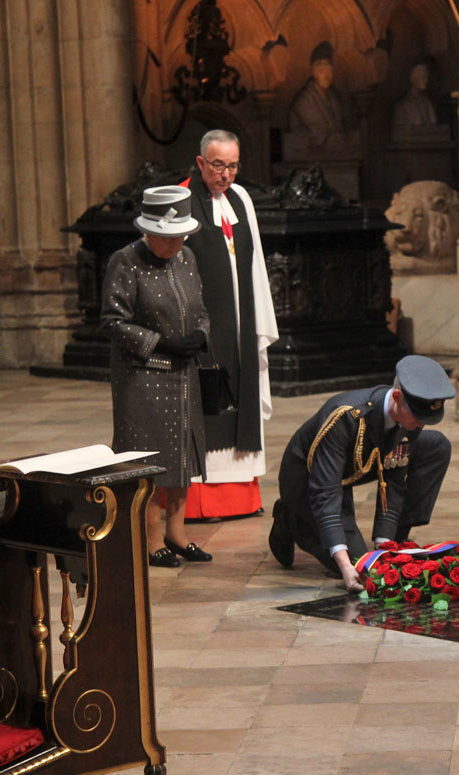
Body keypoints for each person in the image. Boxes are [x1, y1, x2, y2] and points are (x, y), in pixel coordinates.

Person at [268, 355, 455, 592]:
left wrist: (386, 544)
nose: (421, 425)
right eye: (418, 418)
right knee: (355, 565)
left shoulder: (408, 415)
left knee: (436, 445)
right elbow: (325, 492)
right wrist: (345, 564)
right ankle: (290, 517)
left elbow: (395, 477)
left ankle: (398, 539)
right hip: (307, 478)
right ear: (397, 397)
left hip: (354, 466)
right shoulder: (345, 416)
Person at [102, 186, 210, 566]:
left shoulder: (187, 257)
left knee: (182, 453)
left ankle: (176, 533)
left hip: (184, 375)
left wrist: (200, 335)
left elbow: (199, 308)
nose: (175, 243)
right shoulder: (125, 260)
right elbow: (113, 322)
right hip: (143, 377)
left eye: (180, 236)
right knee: (149, 460)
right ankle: (149, 540)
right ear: (149, 231)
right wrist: (161, 343)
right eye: (167, 237)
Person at [180, 130, 278, 530]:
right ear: (201, 162)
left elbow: (254, 260)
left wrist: (260, 323)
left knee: (242, 398)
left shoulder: (241, 199)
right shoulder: (183, 199)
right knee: (210, 402)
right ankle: (202, 500)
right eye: (218, 165)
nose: (226, 174)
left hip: (241, 317)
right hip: (204, 323)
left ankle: (243, 494)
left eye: (233, 166)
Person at [289, 41, 352, 149]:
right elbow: (322, 136)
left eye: (329, 69)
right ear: (313, 71)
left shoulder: (334, 99)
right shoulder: (304, 101)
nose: (326, 75)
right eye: (321, 70)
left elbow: (339, 129)